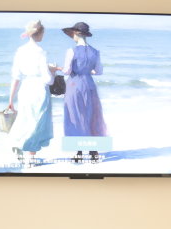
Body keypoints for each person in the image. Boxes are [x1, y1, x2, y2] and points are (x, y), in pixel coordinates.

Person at [7, 20, 59, 167]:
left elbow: (16, 77)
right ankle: (31, 157)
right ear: (40, 33)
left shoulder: (20, 51)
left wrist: (11, 100)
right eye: (43, 33)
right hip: (39, 89)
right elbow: (48, 80)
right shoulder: (41, 52)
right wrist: (53, 71)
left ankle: (21, 149)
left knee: (25, 120)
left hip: (25, 89)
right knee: (37, 123)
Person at [60, 22, 107, 162]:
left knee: (75, 117)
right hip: (89, 85)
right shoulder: (95, 52)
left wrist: (56, 68)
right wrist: (87, 71)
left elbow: (67, 71)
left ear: (76, 33)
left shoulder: (71, 51)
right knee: (91, 117)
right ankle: (93, 153)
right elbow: (99, 71)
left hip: (74, 85)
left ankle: (79, 153)